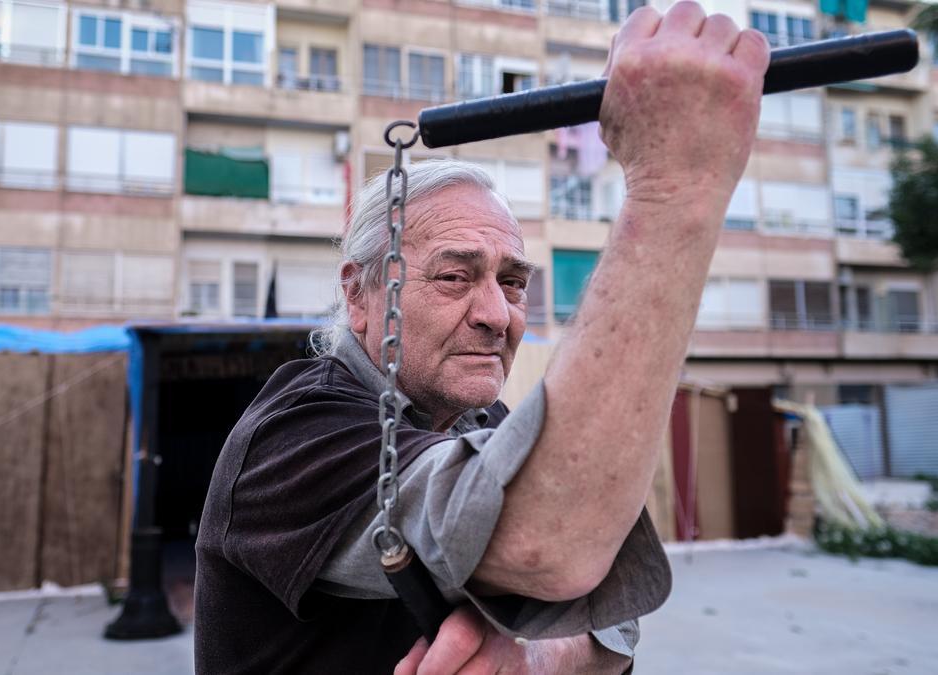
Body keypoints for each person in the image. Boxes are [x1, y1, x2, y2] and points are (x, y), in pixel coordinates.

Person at [193, 3, 769, 673]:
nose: (497, 314)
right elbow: (553, 543)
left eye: (514, 281)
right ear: (359, 293)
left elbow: (610, 607)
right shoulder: (296, 434)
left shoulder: (481, 421)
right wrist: (675, 185)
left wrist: (532, 654)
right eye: (454, 276)